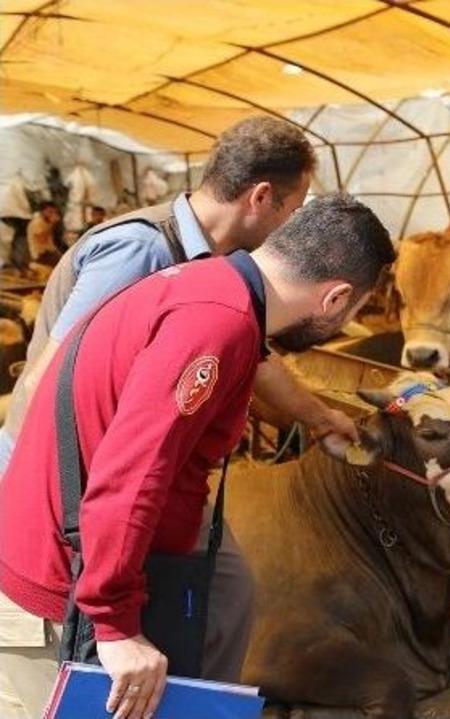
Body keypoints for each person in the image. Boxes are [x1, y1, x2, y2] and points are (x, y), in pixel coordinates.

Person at [0, 115, 355, 719]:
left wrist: (318, 415)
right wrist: (47, 511)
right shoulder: (144, 249)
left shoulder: (220, 277)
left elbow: (242, 357)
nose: (291, 229)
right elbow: (54, 375)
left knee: (222, 585)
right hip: (63, 483)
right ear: (261, 198)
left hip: (105, 484)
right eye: (293, 209)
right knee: (62, 660)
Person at [26, 200, 62, 266]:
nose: (53, 214)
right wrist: (52, 224)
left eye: (55, 212)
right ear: (43, 211)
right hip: (40, 254)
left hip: (48, 253)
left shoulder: (46, 222)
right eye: (50, 212)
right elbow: (42, 239)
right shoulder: (37, 222)